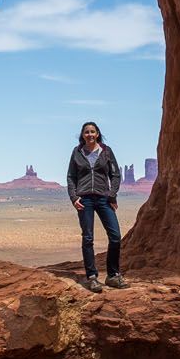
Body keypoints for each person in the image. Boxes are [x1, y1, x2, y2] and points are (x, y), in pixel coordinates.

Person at [66, 121, 125, 292]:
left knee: (115, 236)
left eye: (93, 131)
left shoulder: (106, 151)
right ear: (82, 135)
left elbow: (115, 175)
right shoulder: (77, 152)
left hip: (103, 198)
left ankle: (113, 275)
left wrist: (112, 194)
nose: (90, 134)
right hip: (84, 199)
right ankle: (92, 277)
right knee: (88, 238)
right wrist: (73, 197)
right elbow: (71, 177)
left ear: (97, 133)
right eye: (86, 132)